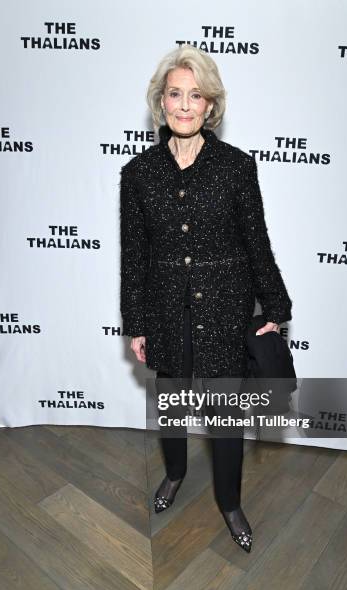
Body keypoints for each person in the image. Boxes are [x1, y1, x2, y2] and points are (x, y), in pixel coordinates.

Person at [119, 45, 292, 553]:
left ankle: (230, 503)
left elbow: (258, 244)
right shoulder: (138, 174)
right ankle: (173, 473)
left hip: (225, 308)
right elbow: (134, 257)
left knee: (224, 416)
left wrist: (276, 311)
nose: (185, 105)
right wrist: (137, 323)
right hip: (165, 309)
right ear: (161, 102)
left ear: (211, 105)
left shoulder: (237, 167)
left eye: (197, 95)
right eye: (176, 94)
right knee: (170, 404)